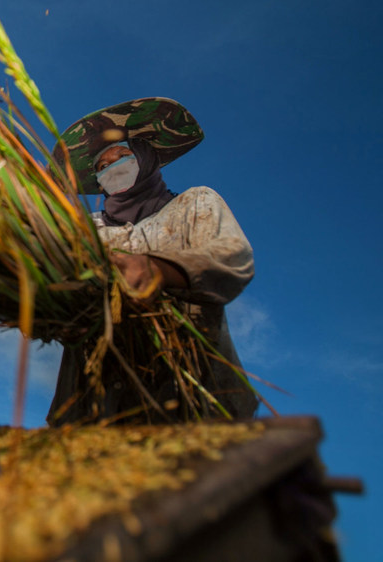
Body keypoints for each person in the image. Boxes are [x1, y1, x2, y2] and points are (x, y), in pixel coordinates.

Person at [48, 97, 258, 425]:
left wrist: (159, 269)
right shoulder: (86, 231)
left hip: (195, 398)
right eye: (102, 167)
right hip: (94, 407)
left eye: (122, 156)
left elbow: (232, 257)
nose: (112, 168)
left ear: (146, 159)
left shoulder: (193, 203)